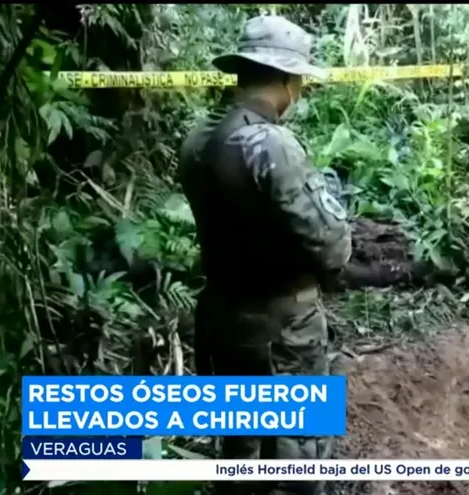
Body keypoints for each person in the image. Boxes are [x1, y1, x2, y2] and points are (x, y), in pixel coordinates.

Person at [178, 15, 352, 495]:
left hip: (222, 317)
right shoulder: (271, 144)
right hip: (282, 329)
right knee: (296, 455)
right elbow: (332, 243)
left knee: (239, 446)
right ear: (285, 79)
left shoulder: (197, 139)